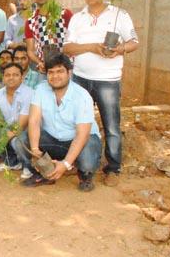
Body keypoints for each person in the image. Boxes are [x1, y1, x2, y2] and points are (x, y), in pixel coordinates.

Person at [63, 0, 140, 187]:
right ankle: (78, 162)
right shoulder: (78, 18)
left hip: (108, 80)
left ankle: (113, 168)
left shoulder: (119, 15)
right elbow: (67, 48)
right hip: (80, 79)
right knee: (76, 122)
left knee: (111, 125)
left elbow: (134, 42)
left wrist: (120, 49)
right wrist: (92, 47)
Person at [11, 54, 102, 192]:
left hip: (81, 140)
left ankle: (84, 175)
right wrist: (35, 151)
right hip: (52, 138)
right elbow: (34, 121)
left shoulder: (82, 96)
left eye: (60, 71)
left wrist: (65, 164)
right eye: (51, 72)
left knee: (88, 163)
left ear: (69, 73)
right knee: (20, 141)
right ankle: (43, 173)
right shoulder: (41, 89)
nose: (55, 76)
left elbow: (82, 135)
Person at [0, 63, 33, 179]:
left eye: (15, 75)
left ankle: (28, 166)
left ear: (22, 77)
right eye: (7, 75)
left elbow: (21, 125)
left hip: (27, 131)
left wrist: (0, 142)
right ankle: (12, 163)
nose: (11, 77)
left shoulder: (29, 93)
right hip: (10, 128)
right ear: (3, 77)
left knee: (17, 141)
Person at [24, 0, 73, 73]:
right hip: (46, 69)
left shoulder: (64, 14)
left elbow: (75, 39)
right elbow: (30, 51)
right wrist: (40, 63)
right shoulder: (30, 21)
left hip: (67, 67)